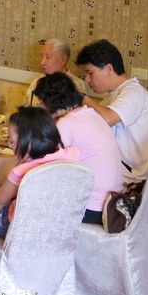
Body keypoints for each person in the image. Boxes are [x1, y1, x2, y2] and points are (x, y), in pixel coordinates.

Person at [0, 106, 80, 238]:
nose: (11, 146)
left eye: (12, 142)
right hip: (58, 229)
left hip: (23, 231)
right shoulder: (72, 154)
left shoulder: (22, 172)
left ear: (28, 141)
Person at [33, 73, 123, 225]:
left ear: (50, 102)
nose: (41, 108)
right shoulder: (90, 114)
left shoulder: (66, 123)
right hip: (113, 204)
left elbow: (46, 165)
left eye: (41, 103)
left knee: (34, 198)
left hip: (93, 208)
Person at [75, 39, 148, 183]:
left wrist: (81, 96)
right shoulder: (114, 95)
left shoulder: (134, 92)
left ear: (108, 69)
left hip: (125, 179)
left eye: (90, 72)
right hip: (112, 172)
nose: (87, 79)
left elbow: (107, 119)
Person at [23, 38, 87, 106]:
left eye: (47, 57)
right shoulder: (36, 82)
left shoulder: (76, 85)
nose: (42, 62)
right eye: (41, 56)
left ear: (63, 60)